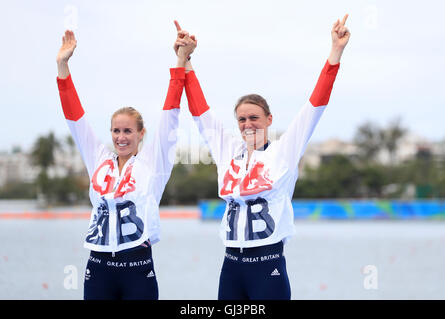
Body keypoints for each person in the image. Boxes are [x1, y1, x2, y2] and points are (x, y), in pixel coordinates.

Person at [174, 15, 351, 299]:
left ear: (269, 119)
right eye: (242, 119)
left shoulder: (284, 151)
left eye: (254, 117)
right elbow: (200, 114)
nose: (248, 124)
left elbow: (316, 105)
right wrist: (186, 59)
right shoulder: (228, 151)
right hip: (231, 265)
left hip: (267, 265)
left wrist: (336, 51)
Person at [56, 30, 196, 299]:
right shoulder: (98, 158)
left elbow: (171, 113)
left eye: (128, 131)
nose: (121, 138)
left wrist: (180, 59)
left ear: (141, 134)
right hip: (98, 266)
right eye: (116, 131)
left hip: (137, 267)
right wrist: (63, 66)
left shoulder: (154, 161)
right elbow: (74, 117)